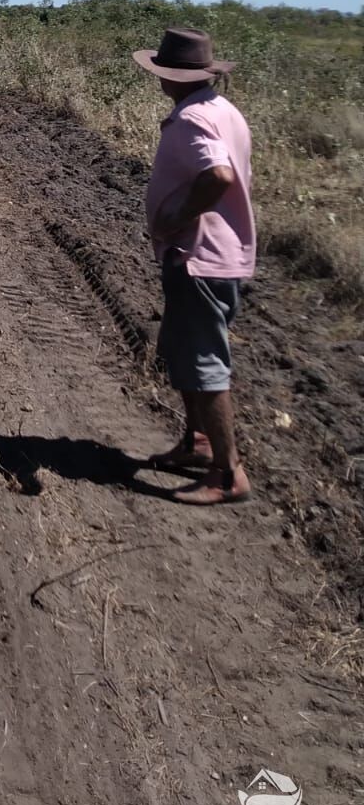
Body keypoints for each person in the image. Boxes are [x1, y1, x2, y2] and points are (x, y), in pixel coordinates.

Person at [134, 28, 255, 505]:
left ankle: (227, 476)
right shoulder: (225, 112)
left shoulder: (192, 120)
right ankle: (197, 444)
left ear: (172, 77)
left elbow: (219, 175)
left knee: (205, 365)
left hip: (200, 258)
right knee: (184, 352)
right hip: (215, 255)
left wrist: (175, 214)